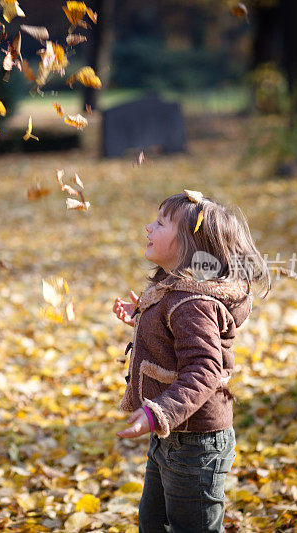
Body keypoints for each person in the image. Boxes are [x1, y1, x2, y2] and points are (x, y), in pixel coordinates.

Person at [113, 190, 270, 533]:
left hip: (194, 444)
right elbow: (173, 335)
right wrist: (141, 317)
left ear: (190, 247)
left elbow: (204, 368)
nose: (147, 228)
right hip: (170, 435)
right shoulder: (175, 292)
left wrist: (159, 413)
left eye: (160, 223)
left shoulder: (191, 304)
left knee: (191, 527)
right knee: (153, 522)